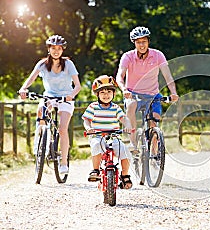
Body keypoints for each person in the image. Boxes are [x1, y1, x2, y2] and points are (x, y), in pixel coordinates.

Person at [19, 34, 81, 174]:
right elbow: (31, 79)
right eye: (53, 48)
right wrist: (24, 89)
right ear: (49, 49)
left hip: (66, 98)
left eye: (59, 48)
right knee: (41, 110)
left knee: (62, 128)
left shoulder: (68, 64)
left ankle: (64, 163)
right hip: (49, 96)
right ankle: (41, 142)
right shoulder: (42, 64)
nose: (56, 51)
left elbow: (78, 86)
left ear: (62, 50)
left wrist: (71, 95)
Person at [115, 26, 179, 151]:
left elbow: (168, 76)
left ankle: (154, 153)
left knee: (154, 120)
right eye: (138, 42)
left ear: (148, 41)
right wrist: (124, 89)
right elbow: (119, 76)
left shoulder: (158, 55)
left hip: (153, 94)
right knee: (131, 105)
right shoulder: (127, 56)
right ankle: (133, 142)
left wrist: (173, 93)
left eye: (144, 41)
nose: (141, 45)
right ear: (134, 43)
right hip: (133, 94)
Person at [82, 75, 133, 189]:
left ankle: (125, 175)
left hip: (113, 136)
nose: (106, 95)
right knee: (96, 145)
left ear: (114, 94)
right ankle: (95, 170)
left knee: (124, 150)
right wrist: (88, 128)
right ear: (97, 94)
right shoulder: (93, 107)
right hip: (97, 136)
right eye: (103, 93)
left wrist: (128, 126)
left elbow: (123, 118)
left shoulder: (115, 107)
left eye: (109, 92)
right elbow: (86, 120)